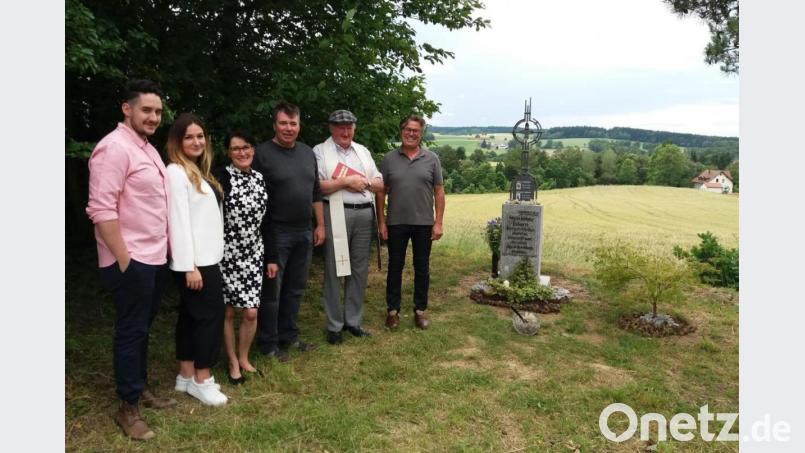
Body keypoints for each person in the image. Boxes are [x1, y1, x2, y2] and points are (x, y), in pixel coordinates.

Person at [86, 79, 175, 440]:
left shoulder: (147, 148)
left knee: (143, 328)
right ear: (127, 109)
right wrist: (125, 260)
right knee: (130, 330)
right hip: (131, 259)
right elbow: (100, 208)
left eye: (157, 111)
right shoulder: (114, 149)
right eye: (146, 110)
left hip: (154, 257)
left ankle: (139, 388)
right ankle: (128, 407)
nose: (154, 117)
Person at [252, 102, 325, 360]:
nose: (288, 128)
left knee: (295, 288)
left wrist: (320, 224)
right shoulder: (261, 154)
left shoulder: (307, 153)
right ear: (275, 125)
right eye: (283, 123)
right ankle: (269, 344)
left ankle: (289, 336)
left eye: (293, 123)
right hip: (275, 232)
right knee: (272, 290)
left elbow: (315, 190)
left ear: (299, 126)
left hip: (304, 230)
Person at [165, 113, 229, 406]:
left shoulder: (197, 171)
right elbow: (177, 221)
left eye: (200, 136)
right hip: (195, 263)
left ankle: (186, 375)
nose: (196, 141)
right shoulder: (176, 172)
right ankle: (203, 379)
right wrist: (188, 266)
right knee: (209, 317)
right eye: (189, 137)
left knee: (191, 317)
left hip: (206, 257)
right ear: (177, 141)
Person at [313, 110, 384, 345]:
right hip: (336, 212)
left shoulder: (362, 151)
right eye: (340, 127)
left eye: (349, 127)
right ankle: (334, 325)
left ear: (354, 128)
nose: (345, 131)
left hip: (364, 213)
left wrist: (363, 182)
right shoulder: (320, 152)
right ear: (331, 128)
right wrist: (345, 181)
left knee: (359, 269)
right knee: (335, 268)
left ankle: (353, 321)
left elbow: (379, 182)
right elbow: (317, 186)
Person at [376, 114, 446, 330]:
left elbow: (439, 192)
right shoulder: (389, 159)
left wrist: (438, 222)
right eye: (408, 130)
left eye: (416, 130)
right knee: (395, 266)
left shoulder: (432, 158)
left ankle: (420, 310)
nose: (412, 134)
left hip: (424, 223)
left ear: (421, 133)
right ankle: (393, 311)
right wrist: (381, 222)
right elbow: (380, 193)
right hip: (396, 222)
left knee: (422, 267)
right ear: (401, 132)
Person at [214, 130, 267, 384]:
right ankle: (232, 360)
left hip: (254, 252)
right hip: (226, 254)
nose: (242, 152)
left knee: (251, 312)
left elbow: (267, 220)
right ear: (228, 153)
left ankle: (245, 357)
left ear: (253, 150)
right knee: (227, 312)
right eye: (236, 149)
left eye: (246, 147)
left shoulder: (260, 178)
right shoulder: (220, 179)